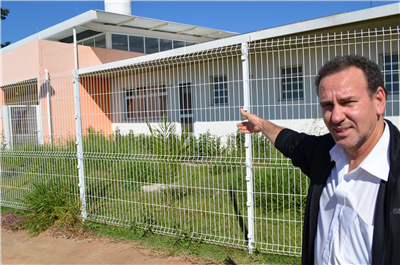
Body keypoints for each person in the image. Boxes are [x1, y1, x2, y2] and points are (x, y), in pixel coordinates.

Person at [237, 55, 400, 265]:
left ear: (379, 100)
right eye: (327, 105)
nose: (336, 116)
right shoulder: (325, 153)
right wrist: (260, 124)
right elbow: (291, 142)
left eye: (347, 102)